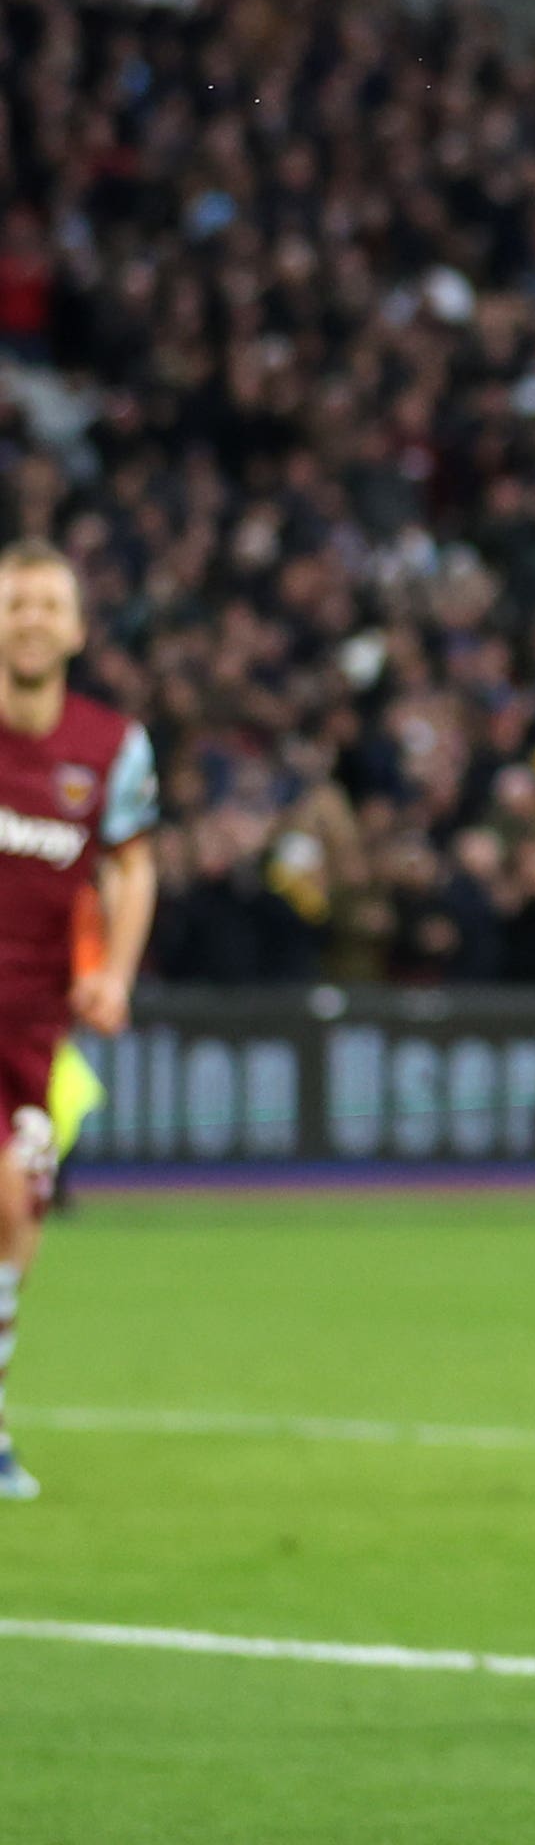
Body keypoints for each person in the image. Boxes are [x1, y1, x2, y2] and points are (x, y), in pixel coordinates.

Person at [0, 544, 155, 1503]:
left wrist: (117, 972)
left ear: (79, 627)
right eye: (16, 601)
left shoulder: (110, 747)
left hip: (31, 1029)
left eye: (49, 603)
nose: (31, 617)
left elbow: (133, 861)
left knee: (18, 1217)